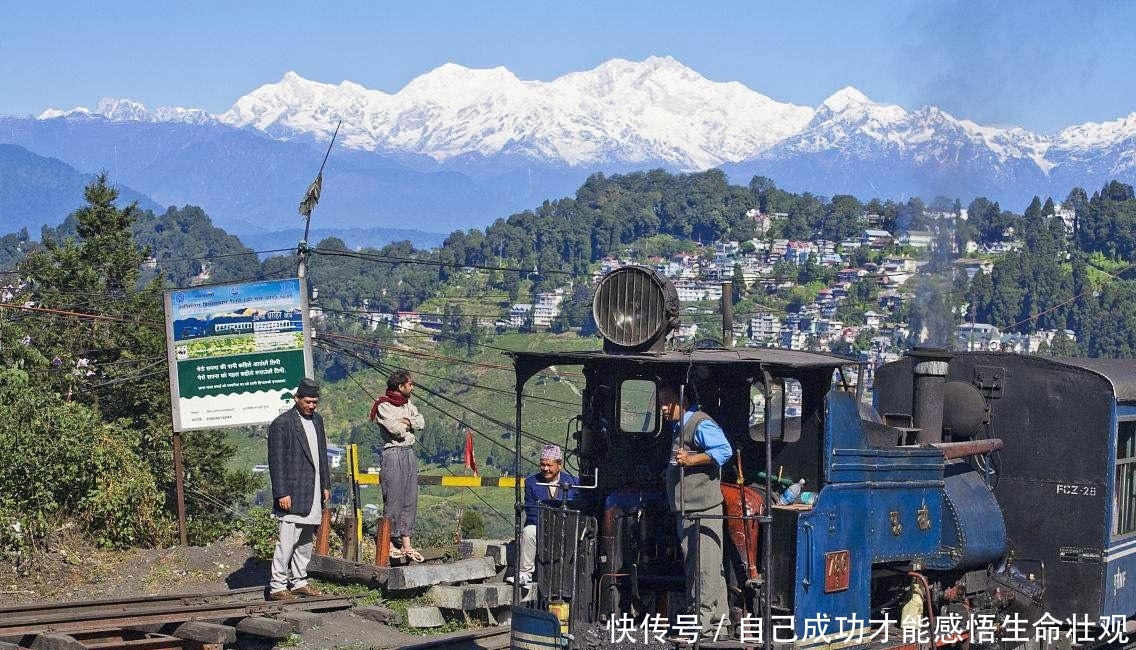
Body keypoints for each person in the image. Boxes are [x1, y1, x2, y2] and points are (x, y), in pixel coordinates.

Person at [659, 382, 733, 633]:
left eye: (667, 402)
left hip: (703, 510)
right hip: (688, 510)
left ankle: (699, 625)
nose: (663, 408)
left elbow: (724, 450)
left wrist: (691, 459)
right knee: (709, 569)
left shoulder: (699, 423)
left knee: (702, 567)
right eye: (660, 403)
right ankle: (718, 625)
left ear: (683, 401)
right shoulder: (679, 428)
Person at [267, 378, 331, 601]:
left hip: (312, 490)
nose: (311, 406)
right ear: (297, 398)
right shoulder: (282, 424)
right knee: (287, 540)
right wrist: (281, 492)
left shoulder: (318, 421)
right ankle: (277, 585)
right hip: (292, 491)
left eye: (315, 402)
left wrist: (325, 485)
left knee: (305, 540)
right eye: (308, 401)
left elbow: (321, 455)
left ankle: (299, 581)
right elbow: (276, 462)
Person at [369, 369, 426, 563]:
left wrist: (406, 422)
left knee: (410, 497)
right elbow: (395, 430)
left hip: (408, 452)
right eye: (410, 384)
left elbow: (421, 421)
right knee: (393, 497)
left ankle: (406, 542)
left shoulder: (408, 404)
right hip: (393, 453)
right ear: (401, 386)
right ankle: (389, 541)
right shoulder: (383, 405)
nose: (412, 387)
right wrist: (406, 425)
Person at [509, 444, 579, 586]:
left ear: (559, 465)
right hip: (540, 527)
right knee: (529, 531)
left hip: (566, 528)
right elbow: (532, 511)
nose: (545, 468)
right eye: (542, 465)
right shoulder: (531, 483)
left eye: (549, 465)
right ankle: (525, 573)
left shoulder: (574, 482)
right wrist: (548, 527)